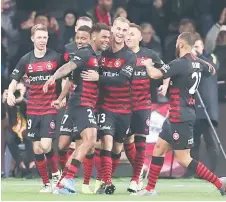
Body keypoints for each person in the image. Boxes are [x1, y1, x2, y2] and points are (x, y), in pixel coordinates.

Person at [134, 32, 226, 196]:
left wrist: (147, 64)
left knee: (184, 159)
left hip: (181, 116)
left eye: (178, 42)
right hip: (175, 115)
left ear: (182, 44)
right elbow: (211, 70)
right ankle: (150, 189)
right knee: (159, 148)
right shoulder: (198, 63)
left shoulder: (179, 63)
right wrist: (198, 59)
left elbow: (154, 74)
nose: (176, 45)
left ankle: (220, 184)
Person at [43, 22, 111, 195]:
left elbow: (72, 79)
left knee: (86, 141)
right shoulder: (85, 53)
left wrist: (60, 98)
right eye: (104, 36)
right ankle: (68, 179)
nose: (107, 40)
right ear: (93, 36)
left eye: (108, 37)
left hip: (83, 103)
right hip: (81, 102)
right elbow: (68, 67)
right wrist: (53, 77)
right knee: (90, 139)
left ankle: (62, 184)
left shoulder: (95, 56)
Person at [81, 17, 136, 195]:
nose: (120, 33)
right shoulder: (102, 54)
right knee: (107, 141)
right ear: (112, 29)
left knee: (117, 148)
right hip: (105, 106)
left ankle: (105, 180)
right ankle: (107, 182)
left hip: (125, 108)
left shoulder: (130, 56)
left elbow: (122, 79)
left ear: (127, 34)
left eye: (124, 30)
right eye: (118, 29)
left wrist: (99, 78)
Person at [7, 24, 62, 193]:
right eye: (39, 37)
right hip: (33, 109)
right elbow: (15, 79)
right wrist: (10, 93)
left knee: (46, 146)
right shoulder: (26, 59)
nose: (42, 41)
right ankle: (46, 183)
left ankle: (56, 174)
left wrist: (62, 96)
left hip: (49, 107)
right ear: (32, 38)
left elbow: (67, 74)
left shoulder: (55, 57)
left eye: (45, 37)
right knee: (37, 148)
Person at [124, 23, 168, 193]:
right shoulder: (121, 55)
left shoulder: (149, 55)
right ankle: (140, 169)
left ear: (140, 38)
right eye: (127, 34)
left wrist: (164, 85)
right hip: (122, 104)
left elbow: (166, 69)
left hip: (143, 103)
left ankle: (135, 179)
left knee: (140, 139)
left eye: (132, 34)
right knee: (126, 140)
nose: (128, 37)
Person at [190, 33, 220, 174]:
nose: (195, 50)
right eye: (193, 47)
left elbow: (212, 68)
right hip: (195, 105)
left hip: (208, 105)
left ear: (202, 47)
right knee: (193, 141)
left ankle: (212, 170)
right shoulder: (191, 61)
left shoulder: (210, 58)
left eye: (197, 46)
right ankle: (194, 171)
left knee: (209, 139)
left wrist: (197, 56)